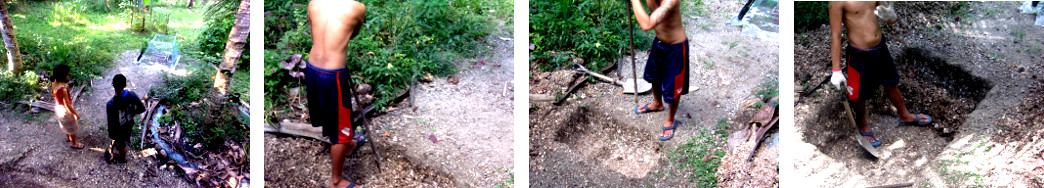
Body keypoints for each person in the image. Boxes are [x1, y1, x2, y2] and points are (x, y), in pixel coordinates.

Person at [828, 1, 932, 147]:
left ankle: (905, 115)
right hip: (859, 55)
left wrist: (890, 14)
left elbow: (890, 20)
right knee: (858, 94)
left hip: (880, 48)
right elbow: (836, 34)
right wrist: (836, 70)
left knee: (891, 83)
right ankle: (862, 124)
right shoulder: (837, 2)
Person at [304, 0, 368, 187]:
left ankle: (347, 145)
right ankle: (336, 181)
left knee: (330, 117)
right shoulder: (357, 8)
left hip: (312, 68)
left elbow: (315, 34)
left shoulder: (313, 3)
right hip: (332, 75)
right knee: (340, 128)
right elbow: (353, 33)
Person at [628, 0, 689, 141]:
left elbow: (646, 25)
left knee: (672, 88)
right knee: (654, 75)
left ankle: (671, 119)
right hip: (659, 42)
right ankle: (657, 103)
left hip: (676, 48)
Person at [106, 74, 146, 163]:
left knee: (121, 144)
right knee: (123, 139)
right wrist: (133, 113)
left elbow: (111, 123)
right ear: (125, 85)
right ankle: (121, 144)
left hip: (118, 129)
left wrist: (111, 135)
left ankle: (122, 158)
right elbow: (142, 108)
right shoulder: (132, 95)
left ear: (112, 84)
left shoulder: (110, 105)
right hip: (129, 125)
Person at [51, 64, 83, 149]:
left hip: (59, 108)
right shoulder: (63, 89)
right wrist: (75, 114)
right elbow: (67, 105)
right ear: (63, 76)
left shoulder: (53, 82)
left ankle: (68, 137)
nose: (68, 75)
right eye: (68, 74)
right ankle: (73, 143)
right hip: (66, 111)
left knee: (65, 125)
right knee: (72, 128)